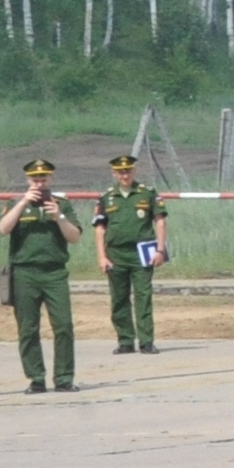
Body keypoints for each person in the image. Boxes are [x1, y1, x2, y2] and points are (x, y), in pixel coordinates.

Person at [0, 159, 86, 393]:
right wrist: (23, 202)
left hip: (54, 272)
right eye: (35, 179)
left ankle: (64, 377)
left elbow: (75, 237)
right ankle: (36, 377)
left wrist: (59, 217)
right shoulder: (17, 203)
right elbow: (3, 228)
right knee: (28, 328)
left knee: (64, 325)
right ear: (28, 180)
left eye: (43, 178)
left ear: (51, 179)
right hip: (24, 273)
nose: (39, 182)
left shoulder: (61, 204)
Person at [96, 150, 169, 357]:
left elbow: (160, 221)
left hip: (142, 254)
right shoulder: (107, 197)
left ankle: (146, 341)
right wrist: (102, 256)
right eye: (120, 172)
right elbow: (100, 229)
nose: (125, 175)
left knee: (143, 297)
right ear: (114, 173)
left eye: (128, 171)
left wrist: (160, 250)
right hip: (116, 254)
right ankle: (125, 340)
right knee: (118, 298)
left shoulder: (147, 193)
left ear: (134, 171)